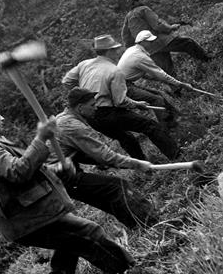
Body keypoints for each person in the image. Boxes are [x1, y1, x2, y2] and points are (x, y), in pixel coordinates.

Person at [0, 105, 136, 274]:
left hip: (30, 214)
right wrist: (40, 138)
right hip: (28, 217)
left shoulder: (0, 141)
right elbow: (17, 171)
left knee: (69, 243)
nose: (1, 118)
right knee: (88, 233)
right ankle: (130, 272)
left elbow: (23, 173)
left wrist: (56, 169)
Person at [54, 87, 158, 230]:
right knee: (118, 186)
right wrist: (137, 163)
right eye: (92, 105)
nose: (96, 108)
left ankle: (139, 226)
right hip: (61, 176)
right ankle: (152, 222)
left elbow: (74, 152)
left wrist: (96, 161)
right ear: (79, 107)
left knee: (106, 199)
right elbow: (106, 156)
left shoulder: (63, 119)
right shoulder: (72, 126)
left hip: (58, 175)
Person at [62, 34, 180, 160]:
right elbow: (121, 101)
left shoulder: (84, 65)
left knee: (125, 138)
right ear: (109, 51)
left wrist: (85, 93)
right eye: (115, 49)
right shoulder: (114, 71)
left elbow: (66, 81)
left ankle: (143, 167)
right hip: (107, 113)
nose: (118, 51)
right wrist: (136, 104)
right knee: (149, 125)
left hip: (90, 117)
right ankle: (176, 155)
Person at [121, 0, 210, 79]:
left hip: (148, 49)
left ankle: (177, 91)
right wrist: (171, 28)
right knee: (188, 43)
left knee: (168, 70)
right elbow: (157, 25)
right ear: (136, 1)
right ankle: (208, 60)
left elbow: (126, 37)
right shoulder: (143, 9)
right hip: (160, 41)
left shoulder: (128, 17)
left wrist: (132, 48)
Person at [118, 30, 196, 129]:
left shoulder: (132, 50)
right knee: (156, 99)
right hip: (122, 87)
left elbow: (139, 73)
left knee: (158, 95)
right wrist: (181, 84)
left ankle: (179, 118)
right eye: (150, 42)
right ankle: (168, 128)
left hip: (124, 84)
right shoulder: (139, 57)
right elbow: (160, 74)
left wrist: (159, 79)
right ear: (142, 42)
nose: (152, 43)